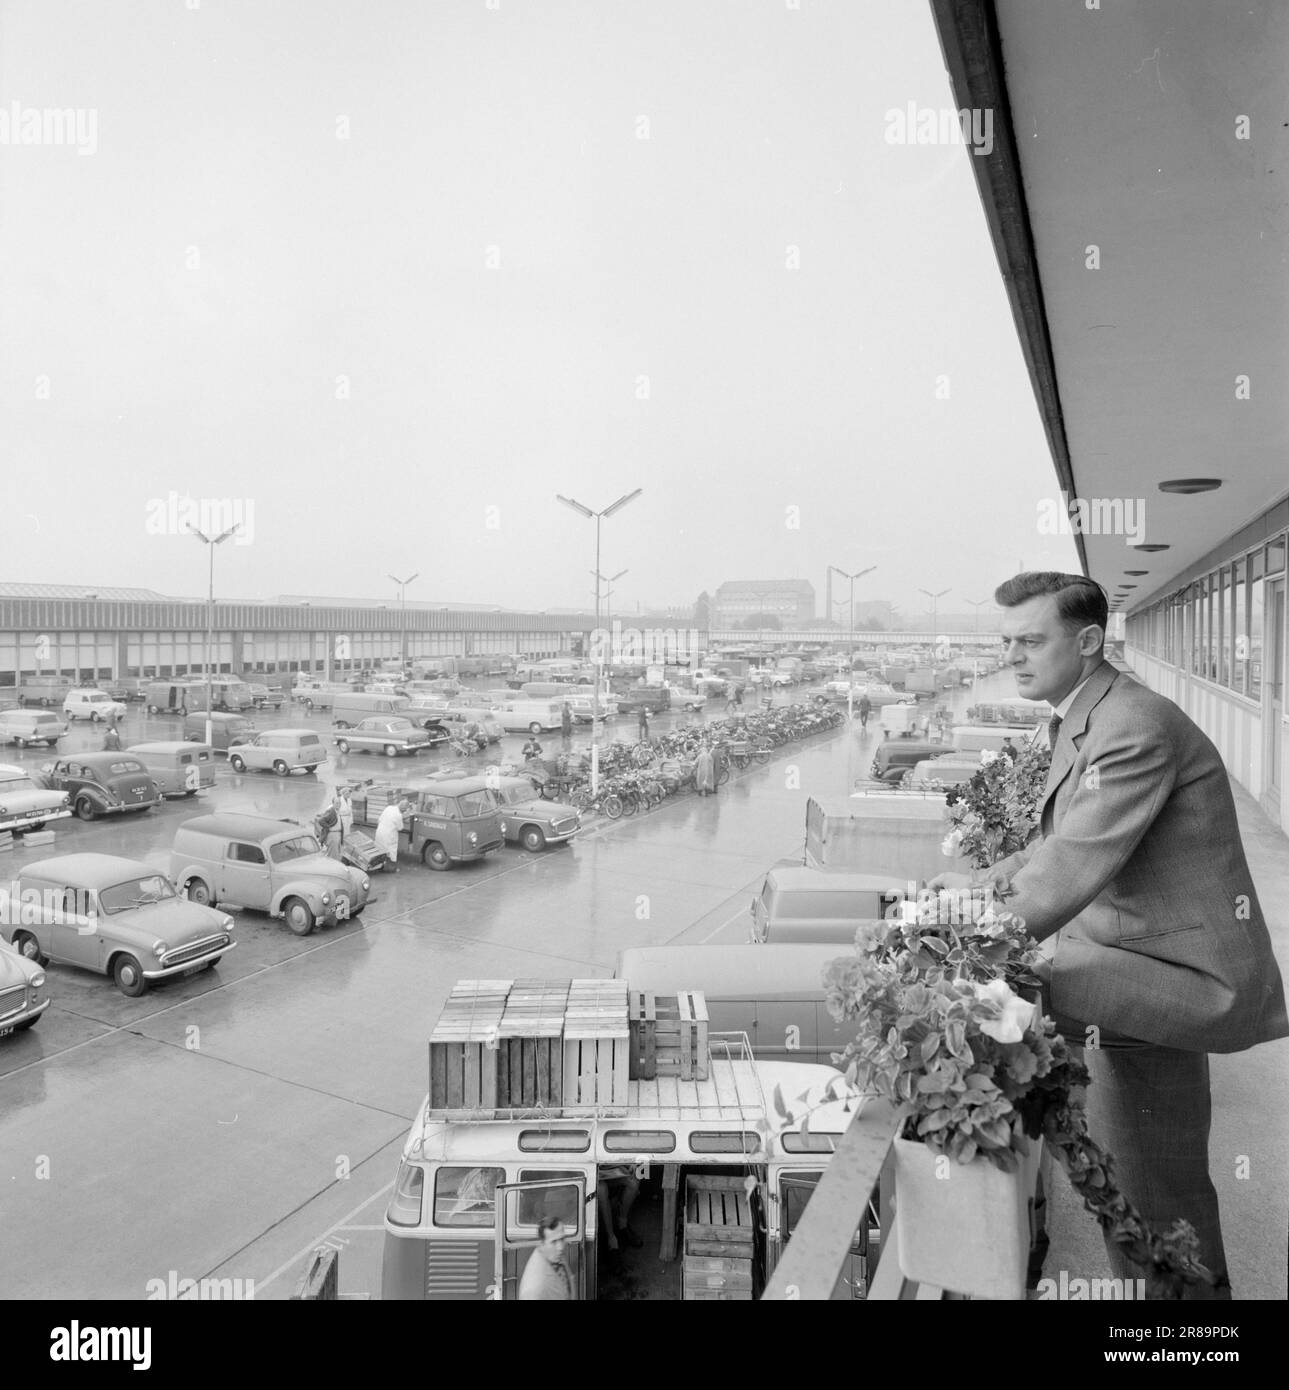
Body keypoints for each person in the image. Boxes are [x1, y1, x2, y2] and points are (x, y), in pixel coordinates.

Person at [929, 571, 1288, 1300]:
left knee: (1149, 1193)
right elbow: (1052, 845)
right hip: (1132, 959)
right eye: (1006, 642)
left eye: (1030, 641)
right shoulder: (1091, 713)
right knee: (1145, 1182)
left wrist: (951, 942)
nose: (1013, 657)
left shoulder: (1130, 726)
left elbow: (1065, 872)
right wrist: (972, 891)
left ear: (1089, 641)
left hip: (1183, 979)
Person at [518, 1217, 575, 1300]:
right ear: (542, 1243)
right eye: (554, 1242)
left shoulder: (554, 1256)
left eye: (562, 1239)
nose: (560, 1247)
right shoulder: (534, 1289)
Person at [597, 1165, 641, 1266]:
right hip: (590, 1174)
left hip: (606, 1170)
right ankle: (612, 1241)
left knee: (634, 1180)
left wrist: (630, 1163)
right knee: (602, 1189)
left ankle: (622, 1224)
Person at [374, 796, 411, 873]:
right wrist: (403, 818)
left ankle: (378, 867)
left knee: (380, 850)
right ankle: (391, 868)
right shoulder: (398, 815)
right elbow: (400, 828)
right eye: (404, 810)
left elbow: (379, 819)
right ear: (403, 809)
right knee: (391, 852)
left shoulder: (389, 808)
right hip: (389, 835)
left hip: (380, 831)